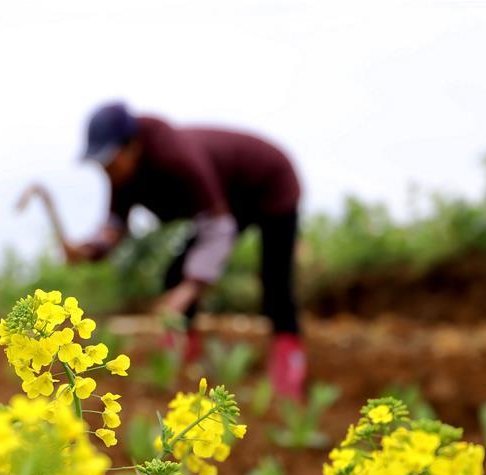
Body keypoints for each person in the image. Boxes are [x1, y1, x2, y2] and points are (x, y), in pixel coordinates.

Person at [64, 102, 306, 399]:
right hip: (225, 199)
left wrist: (191, 288)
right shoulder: (123, 175)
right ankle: (182, 358)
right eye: (101, 163)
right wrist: (89, 249)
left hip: (271, 183)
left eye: (110, 161)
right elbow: (114, 226)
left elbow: (218, 227)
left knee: (275, 279)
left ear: (132, 147)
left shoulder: (174, 157)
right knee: (174, 276)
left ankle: (289, 362)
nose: (106, 171)